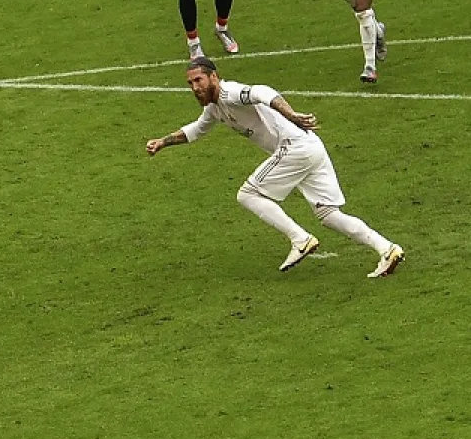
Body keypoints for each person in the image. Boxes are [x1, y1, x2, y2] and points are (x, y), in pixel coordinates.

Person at [145, 57, 404, 277]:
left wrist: (290, 114)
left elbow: (262, 91)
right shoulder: (215, 108)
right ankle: (387, 249)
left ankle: (300, 239)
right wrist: (163, 142)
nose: (194, 88)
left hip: (294, 147)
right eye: (190, 83)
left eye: (198, 81)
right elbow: (196, 129)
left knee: (248, 194)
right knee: (329, 214)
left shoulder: (229, 92)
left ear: (214, 76)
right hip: (310, 147)